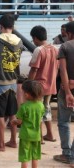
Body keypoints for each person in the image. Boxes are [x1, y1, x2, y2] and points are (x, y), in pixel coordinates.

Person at [0, 14, 23, 152]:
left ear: (0, 27)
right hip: (13, 82)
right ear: (12, 27)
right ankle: (13, 141)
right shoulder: (19, 41)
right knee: (12, 112)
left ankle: (0, 144)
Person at [28, 25, 58, 144]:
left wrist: (28, 84)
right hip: (51, 85)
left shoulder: (39, 50)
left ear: (35, 38)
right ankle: (50, 134)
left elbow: (34, 70)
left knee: (37, 111)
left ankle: (39, 137)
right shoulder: (56, 49)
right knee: (46, 108)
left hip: (38, 86)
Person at [53, 21, 74, 167]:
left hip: (67, 88)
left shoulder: (65, 46)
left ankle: (67, 154)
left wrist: (67, 92)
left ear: (68, 33)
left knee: (64, 122)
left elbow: (63, 71)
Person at [11, 80, 45, 168]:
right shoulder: (41, 106)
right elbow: (40, 119)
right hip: (36, 135)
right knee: (35, 156)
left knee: (24, 156)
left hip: (25, 135)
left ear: (26, 94)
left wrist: (13, 121)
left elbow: (19, 121)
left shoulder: (24, 107)